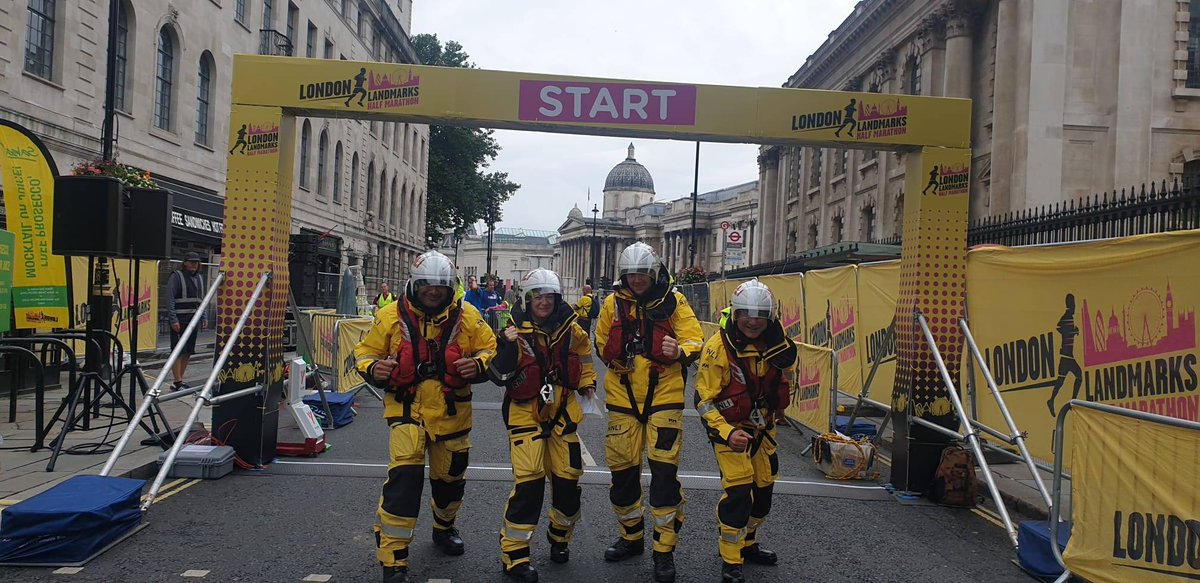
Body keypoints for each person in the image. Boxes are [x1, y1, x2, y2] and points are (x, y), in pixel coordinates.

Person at [354, 251, 497, 583]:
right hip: (407, 409)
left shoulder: (469, 317)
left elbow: (491, 349)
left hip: (451, 412)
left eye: (441, 286)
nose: (434, 291)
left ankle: (444, 527)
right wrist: (375, 368)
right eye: (427, 285)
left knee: (450, 480)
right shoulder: (390, 316)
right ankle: (393, 559)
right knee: (404, 480)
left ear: (451, 288)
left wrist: (477, 365)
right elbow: (364, 352)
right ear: (415, 284)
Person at [594, 242, 704, 583]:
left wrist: (678, 350)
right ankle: (630, 538)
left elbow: (695, 340)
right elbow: (600, 342)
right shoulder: (612, 304)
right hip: (623, 399)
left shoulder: (674, 301)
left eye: (642, 274)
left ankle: (663, 551)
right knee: (622, 473)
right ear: (623, 276)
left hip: (664, 397)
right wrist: (612, 353)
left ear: (653, 273)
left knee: (663, 476)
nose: (637, 280)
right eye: (631, 274)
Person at [487, 269, 596, 582]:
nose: (544, 302)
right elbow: (498, 376)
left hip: (562, 413)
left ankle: (559, 537)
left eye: (549, 296)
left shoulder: (571, 329)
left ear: (557, 298)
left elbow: (584, 357)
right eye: (538, 296)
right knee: (529, 485)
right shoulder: (512, 330)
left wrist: (588, 383)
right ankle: (515, 555)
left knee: (568, 484)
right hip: (525, 414)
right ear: (528, 298)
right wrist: (506, 346)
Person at [695, 280, 796, 583]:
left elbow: (786, 377)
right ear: (736, 314)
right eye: (747, 314)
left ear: (770, 317)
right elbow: (703, 401)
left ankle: (749, 542)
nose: (753, 321)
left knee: (763, 493)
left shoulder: (778, 343)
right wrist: (726, 433)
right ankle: (731, 558)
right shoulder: (717, 348)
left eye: (760, 314)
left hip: (763, 430)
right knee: (739, 493)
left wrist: (779, 405)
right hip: (732, 431)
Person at [166, 252, 207, 390]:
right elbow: (170, 299)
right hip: (180, 319)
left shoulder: (199, 279)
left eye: (196, 263)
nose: (194, 265)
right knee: (178, 351)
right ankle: (177, 381)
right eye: (191, 262)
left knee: (188, 351)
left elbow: (202, 300)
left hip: (193, 320)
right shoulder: (176, 276)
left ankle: (180, 380)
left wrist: (203, 317)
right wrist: (173, 319)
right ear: (185, 263)